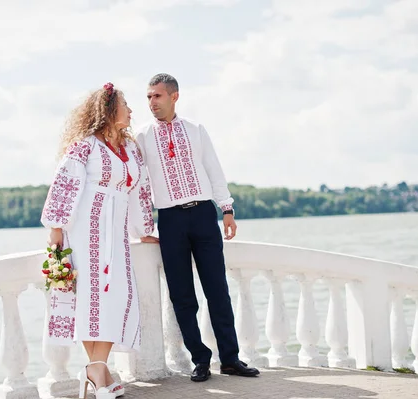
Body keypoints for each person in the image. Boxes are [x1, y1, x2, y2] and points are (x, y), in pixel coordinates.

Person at [136, 73, 260, 382]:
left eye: (157, 96)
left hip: (204, 215)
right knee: (182, 296)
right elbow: (140, 185)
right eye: (149, 97)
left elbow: (213, 169)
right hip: (170, 220)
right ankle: (200, 359)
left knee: (217, 289)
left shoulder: (196, 130)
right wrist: (142, 226)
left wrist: (226, 209)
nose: (152, 102)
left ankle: (230, 359)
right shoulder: (142, 137)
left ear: (174, 96)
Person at [41, 82, 158, 399]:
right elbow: (64, 185)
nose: (131, 110)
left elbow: (140, 192)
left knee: (114, 297)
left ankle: (96, 368)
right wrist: (55, 235)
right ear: (109, 110)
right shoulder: (85, 147)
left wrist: (143, 229)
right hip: (83, 232)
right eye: (125, 104)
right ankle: (98, 370)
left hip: (116, 235)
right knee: (90, 299)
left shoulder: (131, 149)